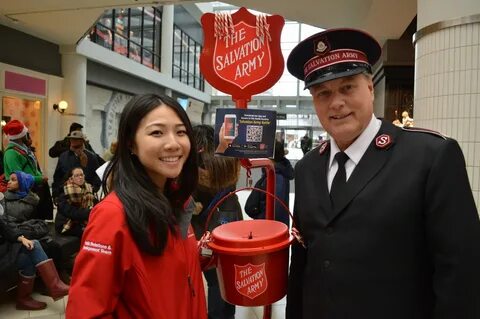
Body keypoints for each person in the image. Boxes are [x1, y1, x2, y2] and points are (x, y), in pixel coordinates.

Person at [285, 28, 480, 319]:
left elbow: (462, 275)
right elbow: (303, 263)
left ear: (370, 89)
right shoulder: (307, 168)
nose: (335, 102)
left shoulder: (430, 157)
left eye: (347, 87)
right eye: (323, 93)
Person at [66, 93, 206, 318]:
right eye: (157, 132)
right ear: (131, 143)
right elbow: (86, 310)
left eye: (180, 132)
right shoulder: (112, 215)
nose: (173, 143)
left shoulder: (177, 202)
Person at [191, 124, 242, 319]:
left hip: (221, 228)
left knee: (221, 283)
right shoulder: (183, 176)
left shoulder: (224, 171)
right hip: (197, 234)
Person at [0, 200, 69, 310]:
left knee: (30, 253)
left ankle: (24, 299)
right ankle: (54, 285)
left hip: (5, 251)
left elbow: (6, 230)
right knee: (34, 246)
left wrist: (21, 238)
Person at [2, 120, 53, 220]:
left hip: (31, 190)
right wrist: (39, 179)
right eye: (26, 133)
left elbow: (33, 167)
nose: (28, 135)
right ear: (21, 135)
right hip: (21, 195)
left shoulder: (24, 149)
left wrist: (40, 176)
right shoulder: (11, 153)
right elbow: (18, 178)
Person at [245, 140, 294, 227]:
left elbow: (276, 209)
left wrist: (260, 220)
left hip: (270, 228)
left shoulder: (276, 177)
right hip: (271, 225)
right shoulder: (273, 172)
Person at [52, 131, 102, 200]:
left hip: (86, 196)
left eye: (76, 139)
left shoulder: (91, 157)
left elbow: (97, 175)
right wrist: (56, 194)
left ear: (82, 141)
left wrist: (93, 188)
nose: (73, 141)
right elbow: (57, 176)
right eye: (72, 139)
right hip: (66, 195)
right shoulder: (63, 156)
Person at [54, 167, 97, 238]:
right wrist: (91, 212)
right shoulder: (65, 192)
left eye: (81, 175)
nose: (80, 177)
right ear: (71, 178)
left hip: (82, 221)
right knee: (90, 232)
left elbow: (96, 204)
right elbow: (71, 212)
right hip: (67, 223)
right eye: (76, 175)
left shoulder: (88, 189)